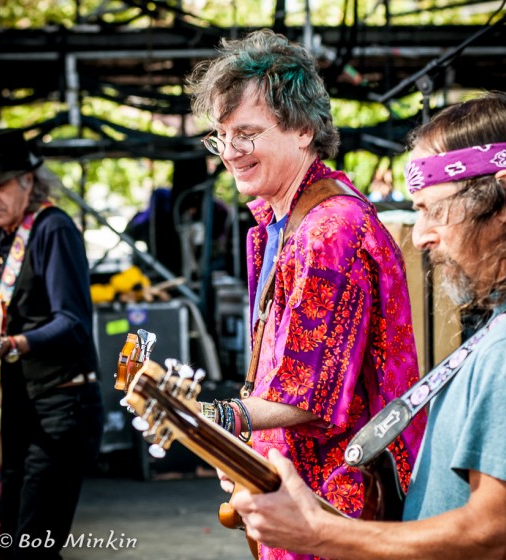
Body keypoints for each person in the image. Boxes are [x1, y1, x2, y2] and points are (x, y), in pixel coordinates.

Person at [229, 86, 506, 559]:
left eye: (432, 210)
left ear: (505, 195)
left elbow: (493, 539)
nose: (419, 236)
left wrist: (317, 532)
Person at [187, 29, 425, 560]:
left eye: (245, 134)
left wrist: (221, 418)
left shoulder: (327, 232)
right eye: (220, 137)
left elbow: (303, 392)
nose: (229, 152)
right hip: (305, 493)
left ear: (300, 130)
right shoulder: (287, 221)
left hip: (337, 502)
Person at [0, 128, 104, 559]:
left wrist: (13, 344)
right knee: (8, 542)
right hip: (13, 407)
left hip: (62, 406)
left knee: (32, 548)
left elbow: (72, 323)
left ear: (27, 181)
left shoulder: (54, 229)